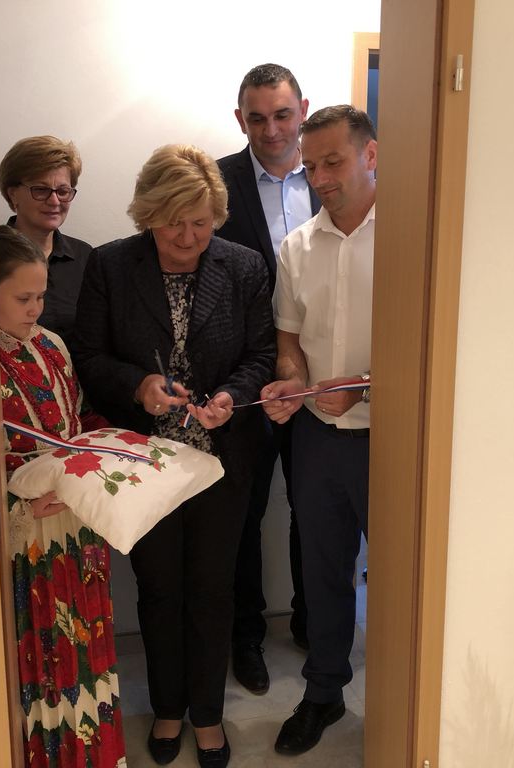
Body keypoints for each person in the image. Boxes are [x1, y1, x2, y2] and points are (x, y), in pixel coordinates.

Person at [71, 145, 275, 768]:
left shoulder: (242, 266)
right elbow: (89, 356)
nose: (187, 237)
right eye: (172, 224)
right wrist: (139, 385)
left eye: (201, 222)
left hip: (221, 457)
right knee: (159, 589)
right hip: (144, 461)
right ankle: (166, 708)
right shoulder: (111, 265)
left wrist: (232, 395)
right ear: (147, 215)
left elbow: (261, 354)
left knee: (212, 589)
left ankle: (207, 715)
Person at [260, 106, 377, 756]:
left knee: (400, 576)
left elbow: (431, 340)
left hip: (393, 441)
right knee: (323, 573)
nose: (321, 177)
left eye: (334, 162)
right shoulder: (297, 247)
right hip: (316, 441)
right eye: (311, 167)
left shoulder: (413, 236)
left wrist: (364, 385)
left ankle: (406, 695)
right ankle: (324, 693)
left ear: (370, 155)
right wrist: (291, 380)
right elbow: (288, 339)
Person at [0, 225, 127, 768]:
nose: (36, 309)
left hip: (78, 525)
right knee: (43, 655)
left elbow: (77, 420)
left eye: (41, 297)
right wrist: (20, 510)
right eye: (22, 298)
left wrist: (117, 447)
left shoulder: (52, 345)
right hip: (28, 539)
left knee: (88, 649)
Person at [215, 63, 319, 694]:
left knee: (316, 509)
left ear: (302, 109)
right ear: (240, 120)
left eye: (282, 115)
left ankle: (313, 624)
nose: (272, 129)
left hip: (320, 376)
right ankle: (245, 637)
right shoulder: (218, 183)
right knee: (243, 514)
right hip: (249, 377)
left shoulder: (334, 174)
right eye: (257, 118)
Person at [0, 136, 92, 349]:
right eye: (41, 190)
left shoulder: (86, 257)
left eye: (63, 191)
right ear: (13, 194)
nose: (54, 201)